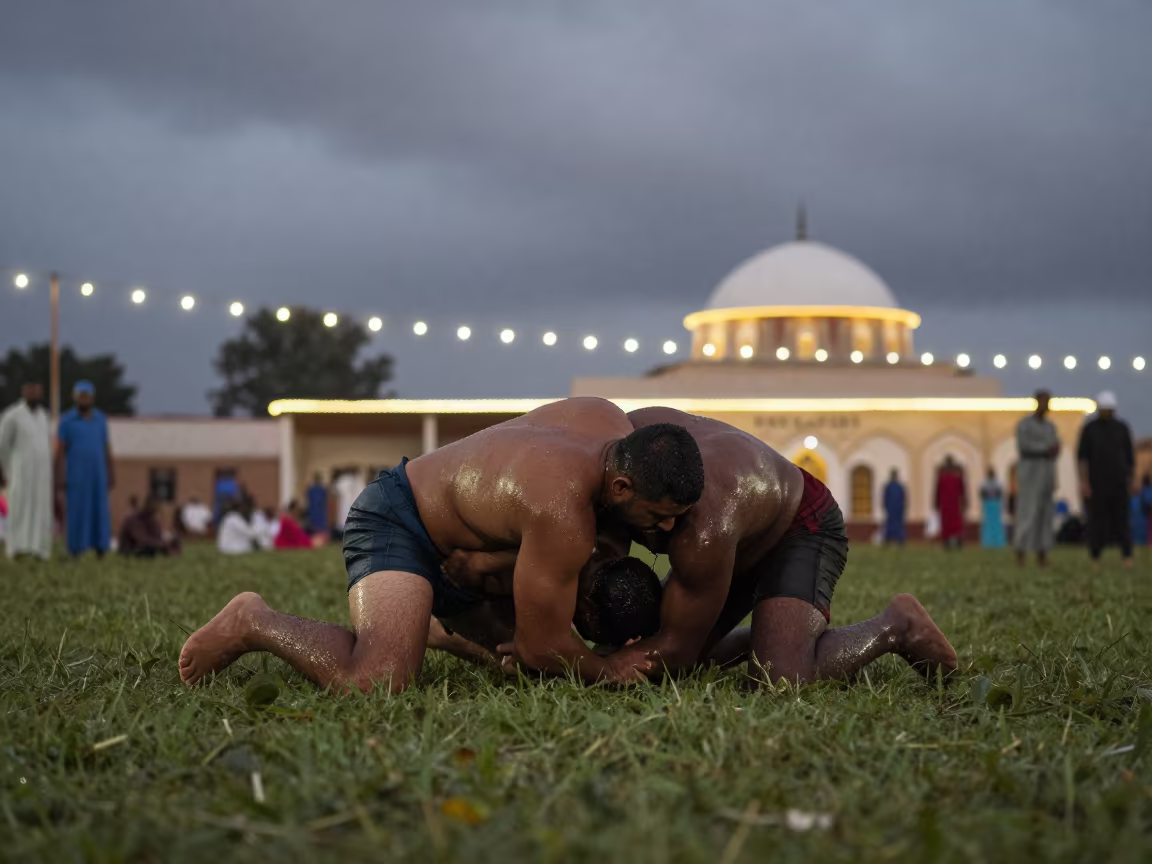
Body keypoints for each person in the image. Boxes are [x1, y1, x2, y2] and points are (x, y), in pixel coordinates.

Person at [179, 397, 704, 693]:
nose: (661, 534)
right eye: (657, 519)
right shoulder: (563, 513)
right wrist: (608, 668)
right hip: (399, 518)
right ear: (621, 487)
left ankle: (434, 627)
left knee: (519, 673)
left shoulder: (604, 416)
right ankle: (253, 621)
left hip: (465, 544)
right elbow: (544, 645)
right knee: (378, 682)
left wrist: (493, 560)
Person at [533, 408, 955, 687]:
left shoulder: (700, 531)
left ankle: (896, 626)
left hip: (797, 524)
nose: (662, 527)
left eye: (669, 518)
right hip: (739, 517)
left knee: (780, 678)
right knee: (664, 652)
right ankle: (778, 633)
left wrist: (600, 668)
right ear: (620, 484)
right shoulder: (610, 448)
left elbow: (676, 650)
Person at [1077, 391, 1135, 569]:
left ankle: (1127, 557)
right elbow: (1082, 458)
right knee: (1097, 522)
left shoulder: (1121, 428)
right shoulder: (1090, 429)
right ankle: (1096, 557)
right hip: (1097, 484)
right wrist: (1084, 482)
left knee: (1122, 521)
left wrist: (1131, 482)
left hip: (1118, 483)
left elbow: (1130, 458)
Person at [56, 380, 113, 559]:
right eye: (81, 396)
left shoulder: (100, 420)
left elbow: (106, 448)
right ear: (75, 398)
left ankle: (101, 548)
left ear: (92, 398)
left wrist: (111, 471)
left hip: (98, 475)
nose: (84, 400)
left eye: (87, 396)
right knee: (77, 512)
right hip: (77, 475)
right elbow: (60, 451)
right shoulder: (67, 421)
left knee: (100, 511)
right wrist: (59, 475)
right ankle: (75, 550)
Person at [0, 381, 54, 560]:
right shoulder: (12, 415)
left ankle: (39, 549)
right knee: (19, 509)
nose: (34, 393)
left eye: (38, 390)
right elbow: (3, 445)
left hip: (42, 475)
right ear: (24, 391)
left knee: (40, 511)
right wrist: (6, 469)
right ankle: (15, 549)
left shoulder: (44, 416)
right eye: (30, 390)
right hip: (20, 472)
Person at [1014, 390, 1060, 566]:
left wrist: (1054, 450)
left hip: (1047, 476)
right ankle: (1021, 551)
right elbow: (1023, 446)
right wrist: (1045, 448)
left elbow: (1056, 447)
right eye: (1042, 402)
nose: (1045, 406)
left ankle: (1043, 552)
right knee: (1027, 514)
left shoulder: (1050, 427)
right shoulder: (1024, 425)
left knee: (1045, 515)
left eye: (1048, 402)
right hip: (1030, 476)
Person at [934, 456, 967, 550]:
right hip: (950, 504)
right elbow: (963, 491)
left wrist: (936, 503)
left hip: (950, 504)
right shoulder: (955, 477)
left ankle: (950, 543)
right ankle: (953, 542)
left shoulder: (944, 477)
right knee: (951, 523)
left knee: (951, 523)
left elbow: (937, 491)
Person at [331, 468, 362, 539]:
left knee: (349, 520)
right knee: (345, 520)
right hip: (346, 503)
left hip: (351, 503)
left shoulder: (357, 480)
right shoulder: (346, 479)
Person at [980, 468, 1006, 549]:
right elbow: (982, 493)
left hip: (994, 503)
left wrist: (990, 496)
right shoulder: (984, 483)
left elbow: (1000, 493)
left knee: (995, 523)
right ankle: (988, 542)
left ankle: (997, 542)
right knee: (989, 523)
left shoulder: (997, 482)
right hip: (989, 503)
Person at [882, 469, 906, 546]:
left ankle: (899, 541)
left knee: (897, 525)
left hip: (896, 509)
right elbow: (885, 498)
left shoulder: (899, 487)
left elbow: (903, 498)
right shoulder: (889, 487)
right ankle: (888, 541)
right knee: (890, 525)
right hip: (892, 509)